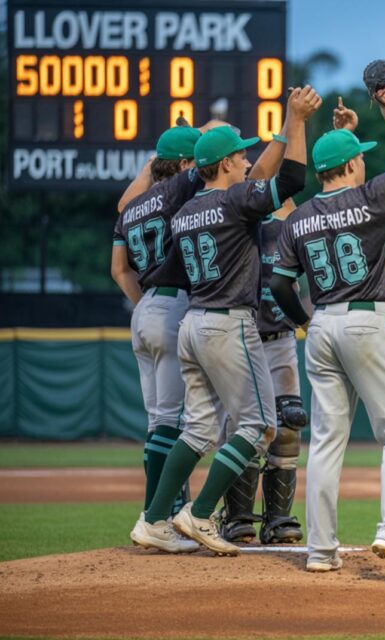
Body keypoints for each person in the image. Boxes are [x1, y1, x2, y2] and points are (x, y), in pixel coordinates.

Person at [129, 86, 320, 556]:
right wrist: (295, 122)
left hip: (191, 322)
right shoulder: (236, 202)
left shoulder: (186, 211)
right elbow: (291, 179)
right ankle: (197, 515)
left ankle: (153, 520)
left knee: (196, 430)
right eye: (239, 154)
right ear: (226, 164)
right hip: (228, 323)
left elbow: (160, 269)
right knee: (258, 426)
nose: (245, 158)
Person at [271, 74, 385, 576]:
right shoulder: (373, 196)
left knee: (326, 441)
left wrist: (306, 325)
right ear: (348, 165)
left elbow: (280, 287)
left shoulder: (297, 218)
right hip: (367, 320)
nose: (365, 159)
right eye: (359, 154)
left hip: (320, 325)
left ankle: (320, 552)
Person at [113, 125, 210, 552]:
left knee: (157, 422)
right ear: (186, 164)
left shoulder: (131, 206)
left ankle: (156, 514)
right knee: (171, 421)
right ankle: (157, 516)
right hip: (173, 303)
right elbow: (203, 168)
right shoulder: (177, 193)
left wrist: (146, 304)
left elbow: (119, 269)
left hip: (145, 307)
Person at [218, 197, 308, 546]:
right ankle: (238, 517)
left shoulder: (294, 218)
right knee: (244, 426)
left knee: (289, 423)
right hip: (242, 335)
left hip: (281, 335)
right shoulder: (235, 218)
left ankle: (278, 519)